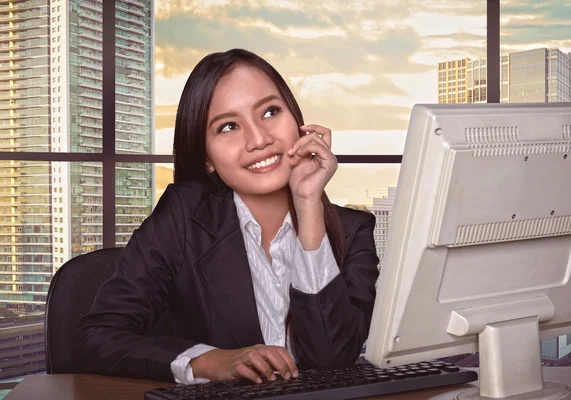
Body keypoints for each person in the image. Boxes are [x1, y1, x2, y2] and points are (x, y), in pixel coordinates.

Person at [73, 48, 379, 385]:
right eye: (229, 126)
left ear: (298, 123)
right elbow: (97, 338)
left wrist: (308, 204)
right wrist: (209, 360)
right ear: (207, 158)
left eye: (270, 112)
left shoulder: (354, 231)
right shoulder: (183, 217)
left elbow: (329, 357)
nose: (259, 140)